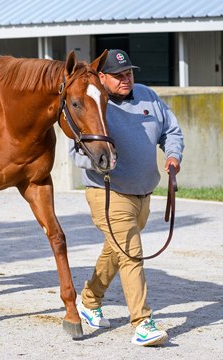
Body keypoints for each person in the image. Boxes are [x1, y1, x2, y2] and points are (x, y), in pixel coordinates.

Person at [70, 49, 184, 346]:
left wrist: (172, 155)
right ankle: (143, 323)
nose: (126, 79)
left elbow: (171, 130)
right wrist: (99, 162)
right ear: (102, 77)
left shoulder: (148, 96)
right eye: (118, 75)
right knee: (131, 253)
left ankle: (89, 300)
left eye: (129, 73)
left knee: (117, 250)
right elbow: (75, 153)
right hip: (108, 193)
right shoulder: (94, 103)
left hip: (144, 192)